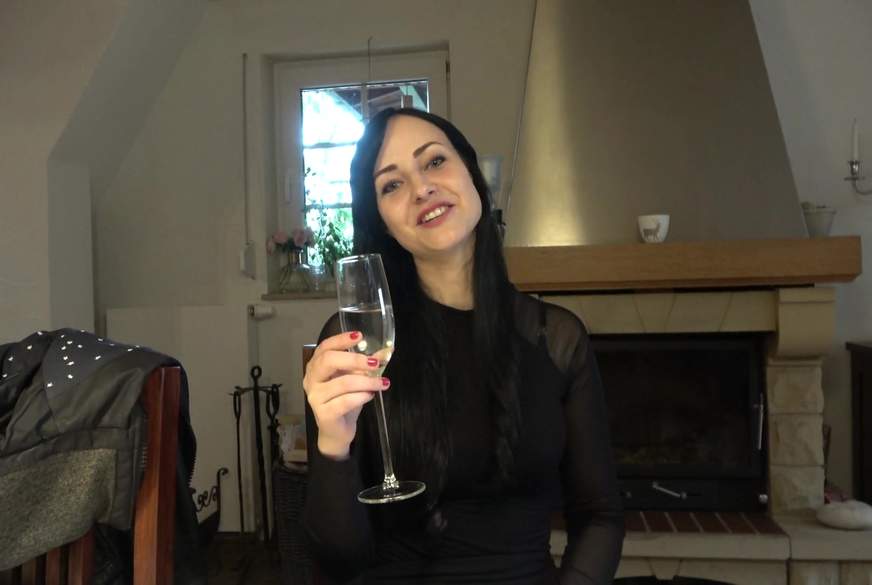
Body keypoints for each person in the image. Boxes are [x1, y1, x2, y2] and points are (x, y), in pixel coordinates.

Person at [302, 107, 624, 584]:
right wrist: (333, 445)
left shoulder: (556, 338)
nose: (421, 189)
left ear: (473, 176)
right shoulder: (357, 344)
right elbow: (338, 560)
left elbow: (600, 516)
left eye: (434, 161)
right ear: (382, 222)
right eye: (392, 185)